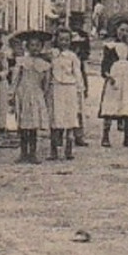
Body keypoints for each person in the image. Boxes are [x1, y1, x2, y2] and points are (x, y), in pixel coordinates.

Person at [98, 18, 128, 147]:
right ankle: (105, 136)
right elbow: (105, 65)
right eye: (121, 30)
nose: (124, 33)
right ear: (116, 31)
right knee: (110, 105)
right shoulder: (110, 46)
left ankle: (127, 137)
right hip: (115, 77)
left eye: (127, 31)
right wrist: (108, 76)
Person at [9, 31, 52, 164]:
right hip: (23, 94)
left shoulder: (44, 65)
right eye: (32, 45)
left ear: (42, 47)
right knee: (22, 126)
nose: (35, 48)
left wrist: (43, 96)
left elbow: (46, 83)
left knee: (33, 126)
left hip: (36, 95)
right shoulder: (22, 62)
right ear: (27, 47)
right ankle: (23, 152)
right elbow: (15, 79)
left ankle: (32, 153)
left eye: (38, 45)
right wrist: (12, 94)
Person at [46, 28, 87, 161]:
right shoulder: (52, 54)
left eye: (67, 40)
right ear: (56, 40)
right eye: (61, 39)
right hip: (56, 88)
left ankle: (68, 149)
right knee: (55, 118)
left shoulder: (72, 56)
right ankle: (54, 150)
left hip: (70, 88)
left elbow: (77, 73)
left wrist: (80, 89)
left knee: (69, 119)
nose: (64, 42)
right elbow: (47, 69)